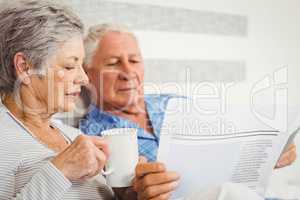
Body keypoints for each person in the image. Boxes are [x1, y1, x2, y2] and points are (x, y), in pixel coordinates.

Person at [79, 23, 297, 200]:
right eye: (114, 63)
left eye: (134, 60)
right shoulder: (92, 137)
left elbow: (227, 149)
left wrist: (266, 155)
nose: (128, 72)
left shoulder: (175, 103)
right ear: (88, 74)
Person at [0, 1, 114, 199]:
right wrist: (61, 171)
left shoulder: (74, 135)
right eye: (70, 66)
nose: (84, 79)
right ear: (25, 67)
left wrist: (129, 192)